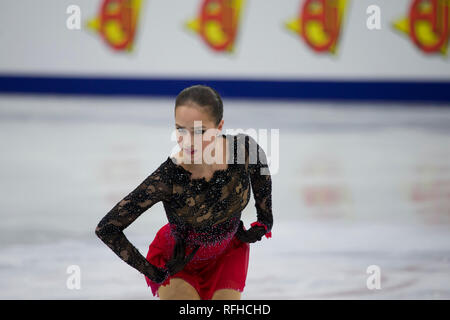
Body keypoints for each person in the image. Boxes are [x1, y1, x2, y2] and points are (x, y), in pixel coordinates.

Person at [95, 84, 273, 300]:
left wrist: (263, 224)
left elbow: (261, 182)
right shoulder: (170, 177)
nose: (187, 141)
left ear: (219, 127)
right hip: (179, 262)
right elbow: (107, 228)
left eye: (199, 131)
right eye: (180, 129)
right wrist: (154, 271)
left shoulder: (245, 150)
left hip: (228, 254)